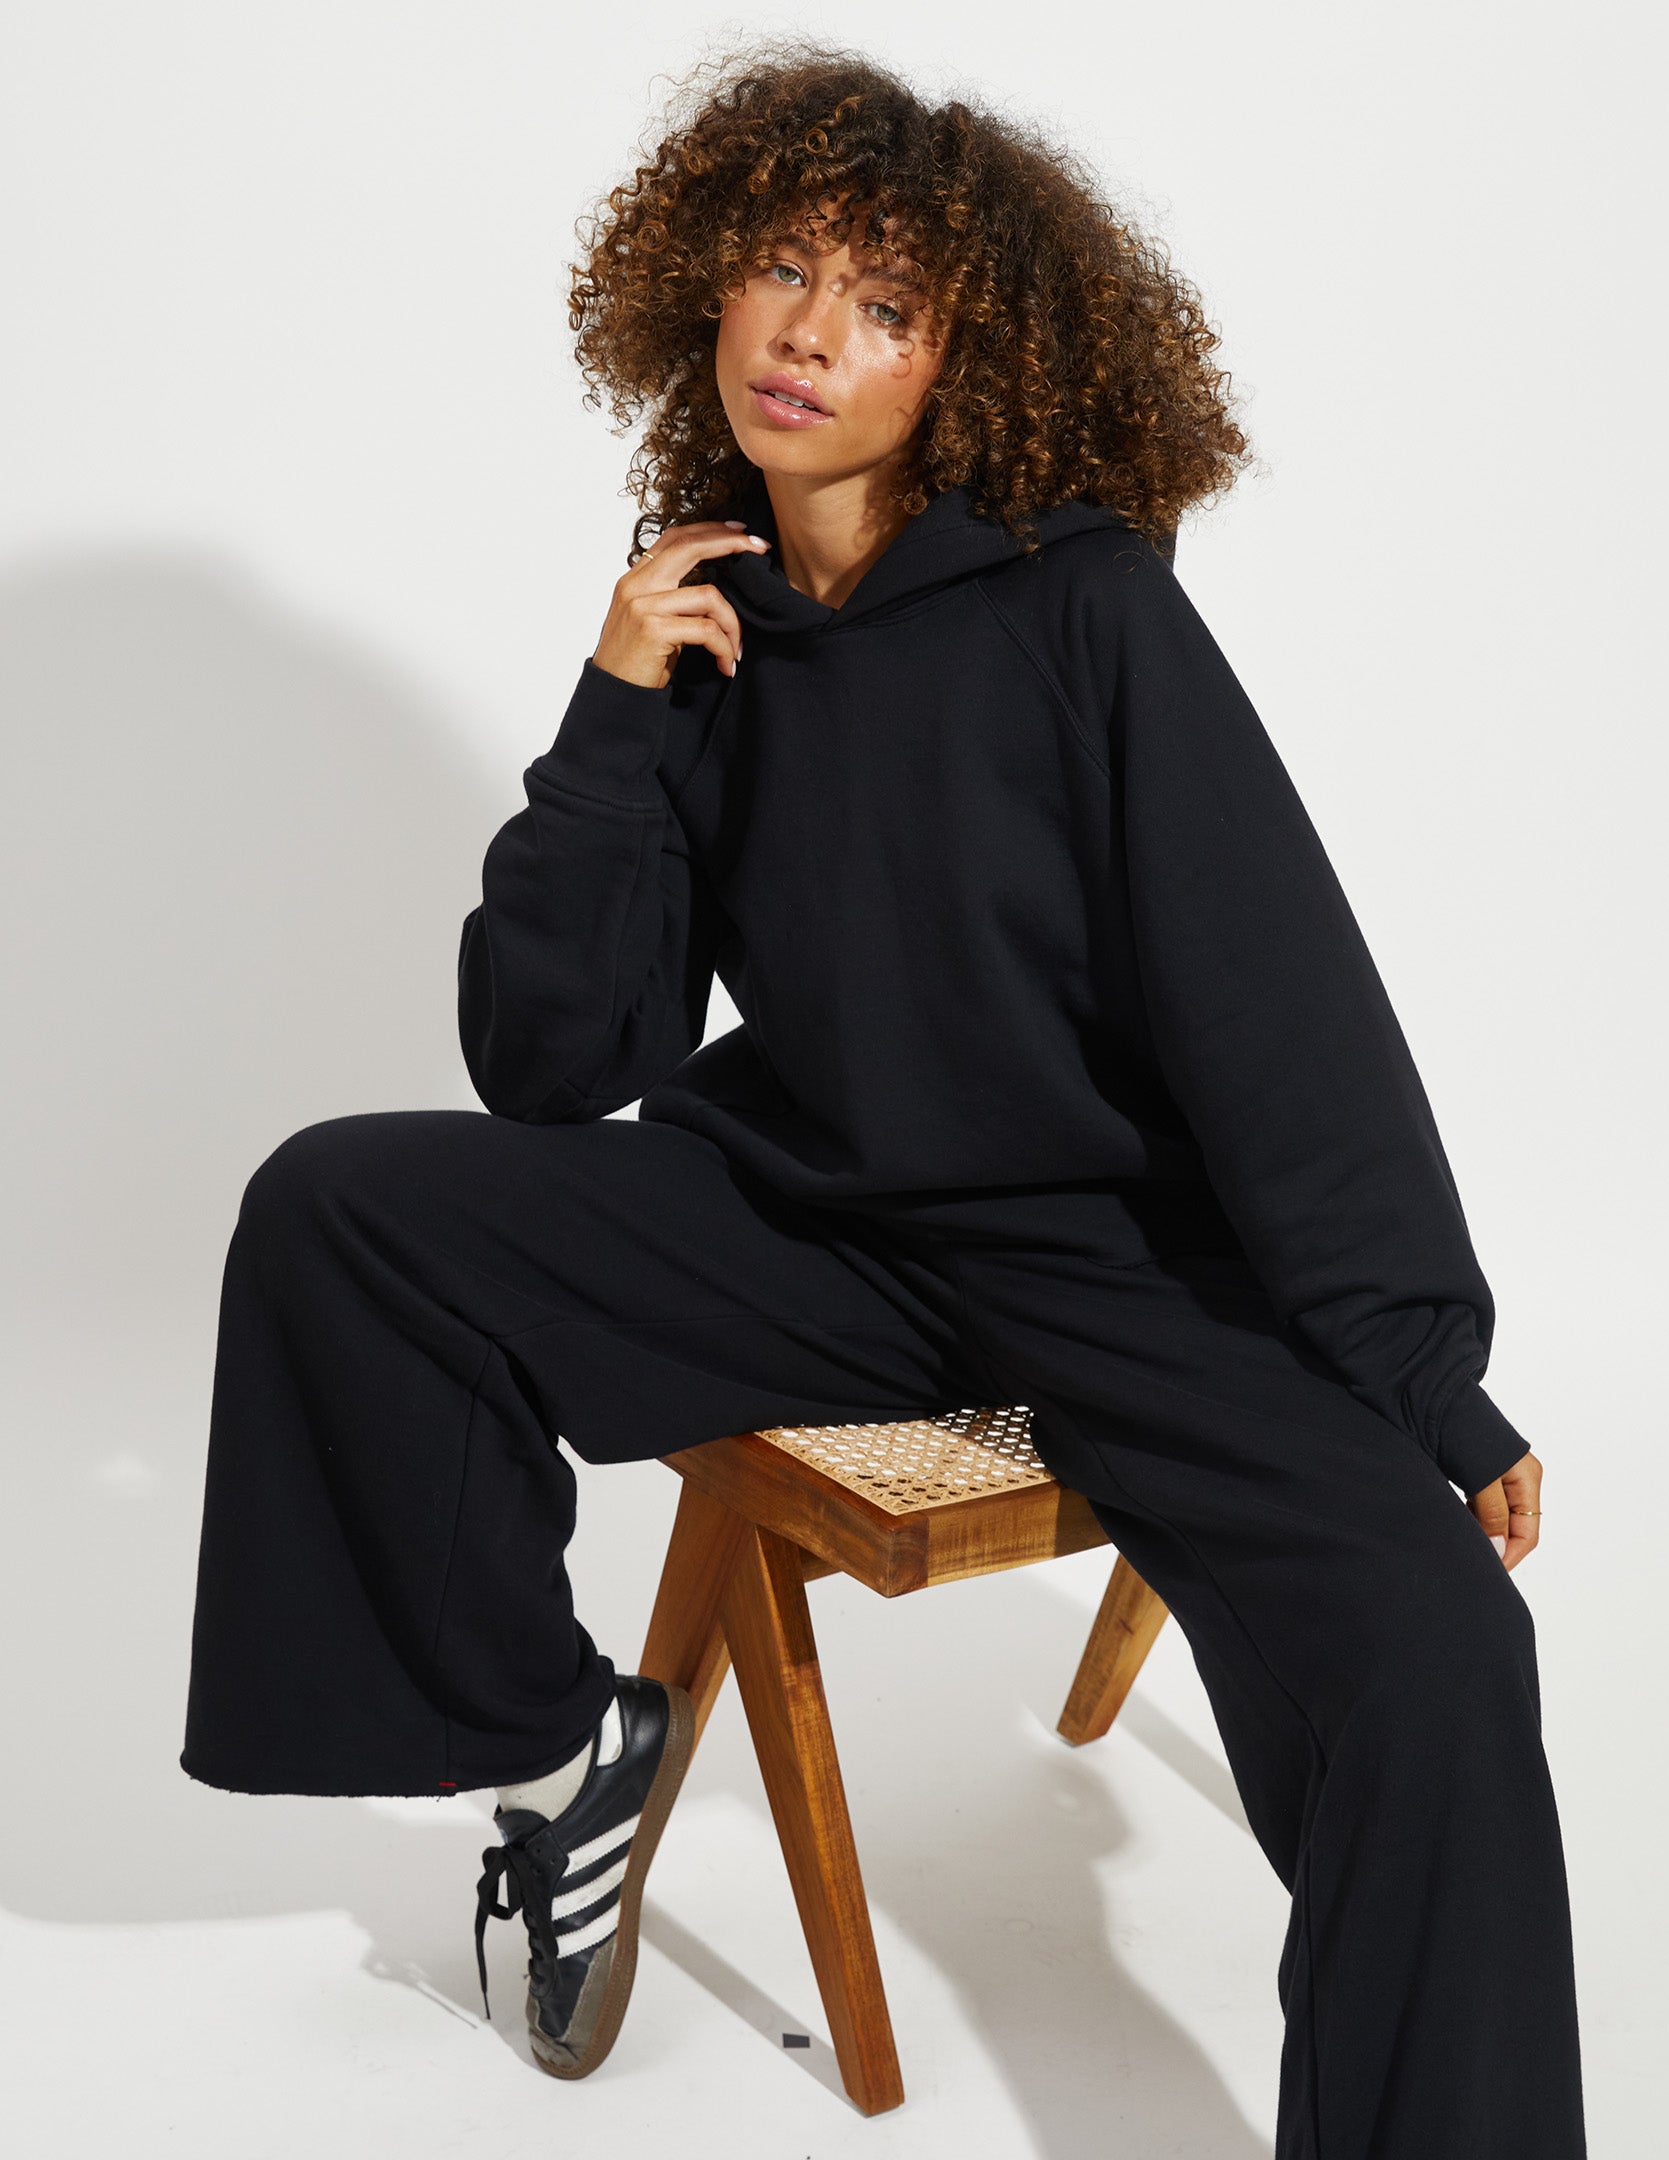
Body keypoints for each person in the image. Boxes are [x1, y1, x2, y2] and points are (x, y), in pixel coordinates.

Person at [179, 41, 1588, 2153]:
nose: (808, 332)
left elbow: (1280, 1006)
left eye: (885, 302)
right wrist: (615, 711)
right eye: (780, 269)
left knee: (1441, 1656)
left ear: (970, 362)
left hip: (1118, 1261)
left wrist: (1421, 1373)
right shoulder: (702, 623)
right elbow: (556, 1066)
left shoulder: (1083, 606)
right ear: (703, 284)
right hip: (820, 1225)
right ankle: (558, 1756)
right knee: (340, 1212)